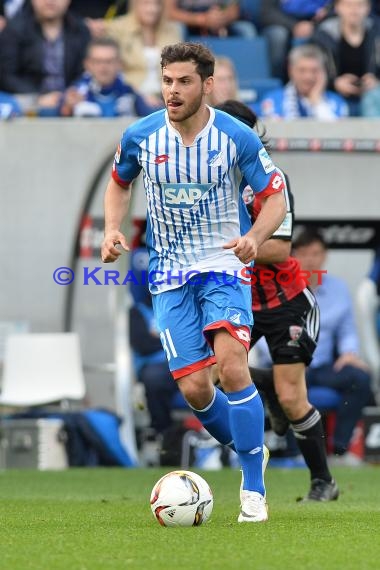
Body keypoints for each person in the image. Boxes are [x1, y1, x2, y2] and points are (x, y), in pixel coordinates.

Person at [101, 41, 287, 522]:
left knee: (231, 365)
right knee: (197, 391)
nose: (173, 90)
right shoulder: (142, 135)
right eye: (166, 81)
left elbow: (274, 199)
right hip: (169, 276)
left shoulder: (236, 136)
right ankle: (252, 446)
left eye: (184, 81)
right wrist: (111, 228)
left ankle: (252, 486)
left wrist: (254, 237)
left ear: (207, 85)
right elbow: (119, 182)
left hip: (223, 267)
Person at [215, 99, 339, 502]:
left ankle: (323, 482)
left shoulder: (270, 178)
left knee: (293, 397)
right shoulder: (211, 178)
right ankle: (263, 387)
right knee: (214, 376)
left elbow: (279, 250)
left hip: (287, 302)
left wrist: (219, 250)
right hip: (241, 300)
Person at [293, 228, 372, 466]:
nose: (310, 259)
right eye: (304, 253)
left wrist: (349, 353)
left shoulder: (338, 289)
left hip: (325, 365)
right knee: (279, 383)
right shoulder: (280, 288)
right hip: (291, 364)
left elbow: (347, 329)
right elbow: (267, 335)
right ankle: (293, 453)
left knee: (360, 377)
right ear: (294, 256)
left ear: (324, 256)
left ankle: (340, 451)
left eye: (316, 253)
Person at [0, 0, 90, 115]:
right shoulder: (14, 30)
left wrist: (71, 94)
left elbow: (85, 71)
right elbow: (6, 75)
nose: (50, 1)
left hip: (70, 102)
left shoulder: (80, 30)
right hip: (26, 100)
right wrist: (38, 97)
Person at [88, 0, 183, 106]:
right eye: (146, 4)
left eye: (157, 4)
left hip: (166, 94)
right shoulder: (118, 29)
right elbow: (114, 69)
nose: (152, 9)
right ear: (135, 5)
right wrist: (139, 95)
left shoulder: (172, 30)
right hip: (129, 94)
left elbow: (179, 67)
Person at [313, 0, 380, 116]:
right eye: (348, 5)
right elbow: (312, 71)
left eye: (359, 5)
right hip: (332, 93)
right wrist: (334, 83)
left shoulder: (377, 32)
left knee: (373, 98)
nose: (354, 10)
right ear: (337, 8)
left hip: (372, 93)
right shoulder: (323, 35)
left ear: (368, 8)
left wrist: (376, 81)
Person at [60, 38, 156, 117]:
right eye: (98, 61)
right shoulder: (75, 92)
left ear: (119, 64)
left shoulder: (130, 93)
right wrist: (67, 108)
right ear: (87, 64)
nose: (103, 67)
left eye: (109, 61)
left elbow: (151, 120)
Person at [259, 43, 348, 119]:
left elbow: (335, 133)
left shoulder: (336, 102)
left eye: (314, 71)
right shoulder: (273, 100)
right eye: (302, 70)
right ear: (291, 70)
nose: (308, 77)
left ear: (323, 73)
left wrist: (316, 100)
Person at [259, 0, 331, 80]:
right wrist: (294, 26)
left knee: (328, 30)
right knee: (278, 35)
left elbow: (339, 6)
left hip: (317, 22)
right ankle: (278, 81)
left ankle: (328, 82)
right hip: (282, 23)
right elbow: (267, 12)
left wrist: (327, 11)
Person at [164, 0, 257, 38]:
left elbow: (235, 9)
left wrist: (222, 18)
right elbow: (169, 13)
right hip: (189, 22)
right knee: (177, 28)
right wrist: (202, 19)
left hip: (220, 20)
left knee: (247, 29)